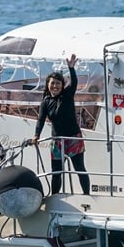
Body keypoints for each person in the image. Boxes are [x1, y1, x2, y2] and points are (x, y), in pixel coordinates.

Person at [30, 54, 90, 195]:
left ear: (62, 85)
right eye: (52, 83)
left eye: (58, 83)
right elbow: (40, 120)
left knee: (80, 169)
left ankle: (87, 196)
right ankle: (55, 196)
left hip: (73, 138)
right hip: (57, 141)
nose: (55, 86)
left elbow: (74, 82)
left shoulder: (67, 95)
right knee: (56, 173)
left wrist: (71, 68)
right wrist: (36, 135)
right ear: (48, 85)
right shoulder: (45, 101)